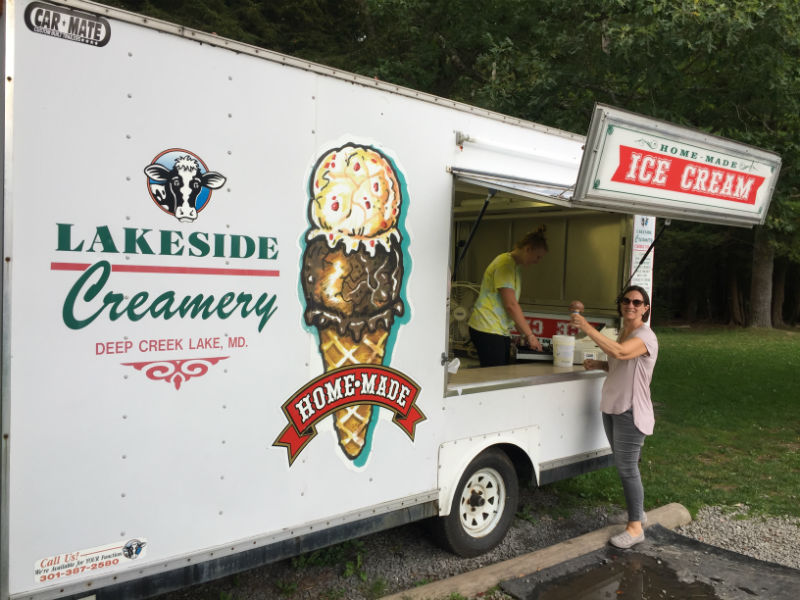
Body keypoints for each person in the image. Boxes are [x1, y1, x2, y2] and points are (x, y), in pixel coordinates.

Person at [570, 285, 658, 549]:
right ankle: (638, 512)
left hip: (631, 410)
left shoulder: (646, 336)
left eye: (636, 302)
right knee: (625, 465)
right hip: (612, 406)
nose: (630, 305)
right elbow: (621, 363)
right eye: (626, 301)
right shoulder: (625, 332)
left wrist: (586, 326)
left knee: (627, 468)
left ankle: (635, 528)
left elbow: (621, 353)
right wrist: (600, 365)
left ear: (645, 308)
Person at [467, 227, 547, 367]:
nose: (537, 261)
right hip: (488, 328)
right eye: (538, 256)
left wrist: (520, 333)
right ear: (528, 249)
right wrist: (530, 336)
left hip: (495, 329)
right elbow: (511, 305)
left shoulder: (514, 266)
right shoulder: (505, 265)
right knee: (495, 376)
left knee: (499, 373)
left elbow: (509, 305)